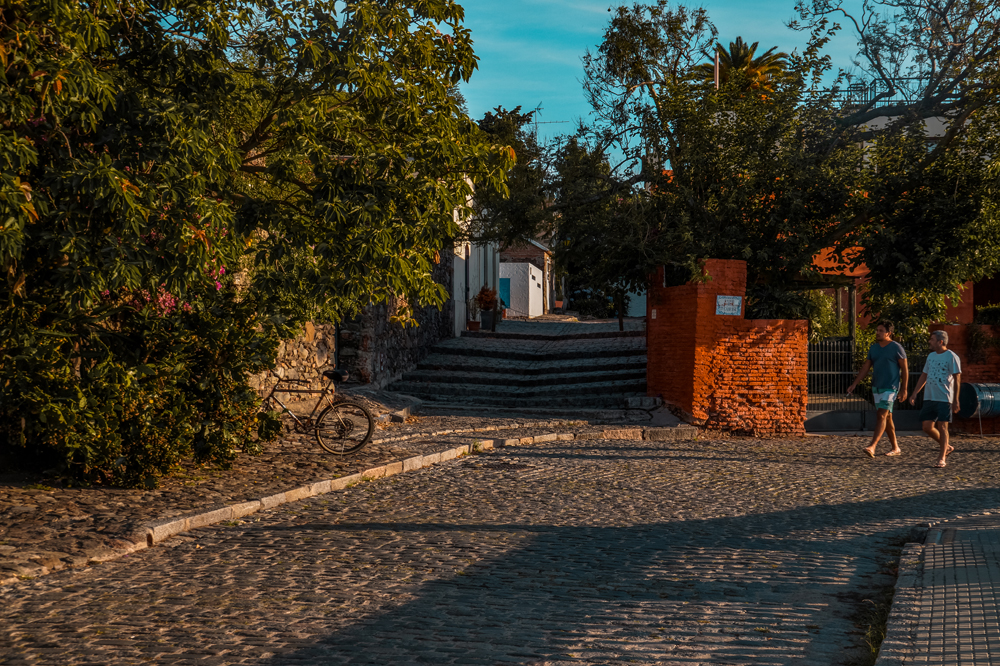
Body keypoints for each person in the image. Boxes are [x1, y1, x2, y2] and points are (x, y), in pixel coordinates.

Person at [848, 320, 909, 457]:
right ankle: (895, 447)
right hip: (877, 387)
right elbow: (865, 368)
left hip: (891, 387)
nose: (878, 333)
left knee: (881, 415)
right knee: (887, 418)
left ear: (889, 333)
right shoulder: (874, 348)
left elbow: (905, 369)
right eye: (877, 330)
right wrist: (855, 383)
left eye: (881, 330)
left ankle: (872, 446)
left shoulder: (896, 347)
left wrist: (904, 388)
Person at [909, 330, 962, 468]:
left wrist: (955, 399)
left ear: (940, 341)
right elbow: (924, 375)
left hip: (944, 397)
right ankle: (947, 447)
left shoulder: (951, 356)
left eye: (932, 339)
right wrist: (915, 392)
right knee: (926, 427)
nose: (929, 342)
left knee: (943, 426)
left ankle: (942, 457)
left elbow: (957, 378)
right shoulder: (931, 356)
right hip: (929, 397)